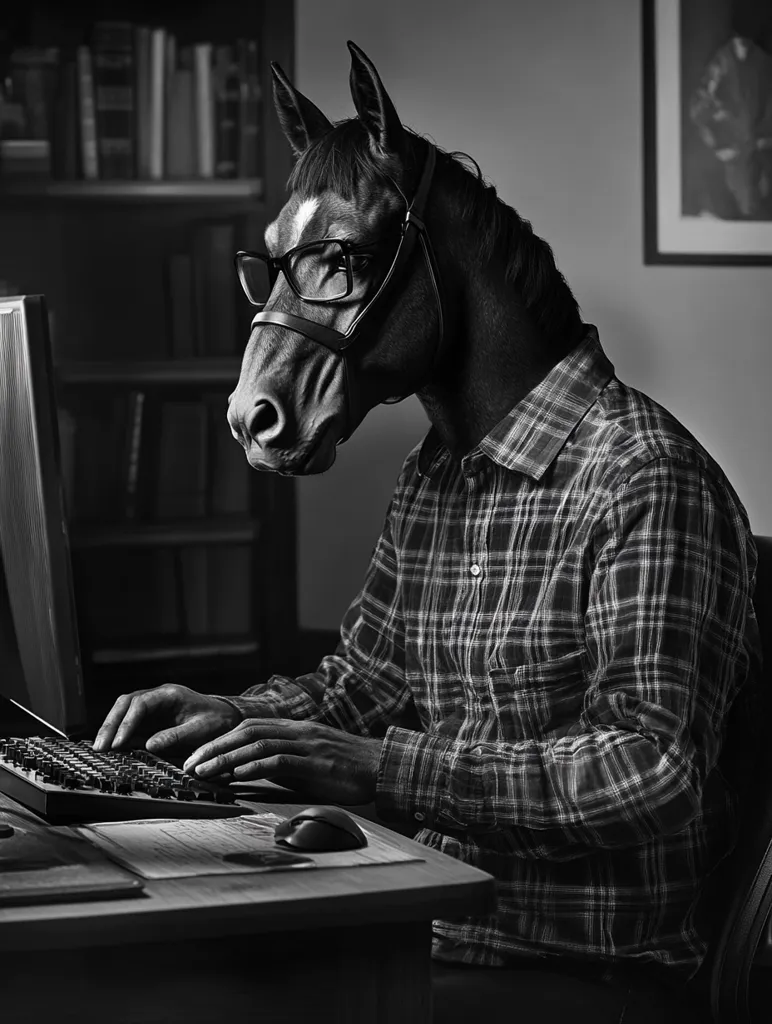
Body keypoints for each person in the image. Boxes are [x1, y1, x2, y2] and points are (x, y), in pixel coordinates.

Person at [94, 325, 760, 1023]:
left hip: (582, 972)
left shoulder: (648, 476)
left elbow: (650, 772)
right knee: (153, 978)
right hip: (430, 930)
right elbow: (368, 680)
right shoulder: (436, 467)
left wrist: (385, 767)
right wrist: (234, 718)